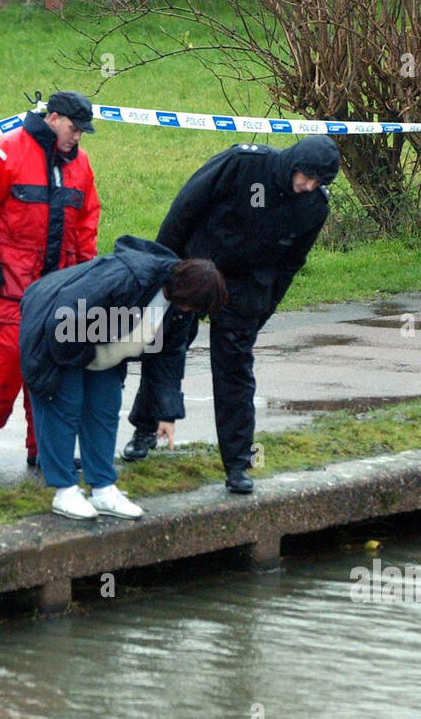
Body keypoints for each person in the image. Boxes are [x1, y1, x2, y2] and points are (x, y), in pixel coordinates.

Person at [122, 136, 341, 494]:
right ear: (293, 163)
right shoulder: (243, 164)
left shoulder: (314, 206)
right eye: (306, 177)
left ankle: (238, 464)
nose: (308, 186)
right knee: (164, 349)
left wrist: (263, 310)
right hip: (196, 269)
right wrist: (166, 269)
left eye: (318, 183)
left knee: (235, 371)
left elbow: (291, 264)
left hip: (244, 289)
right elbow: (184, 209)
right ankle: (146, 428)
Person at [20, 235, 226, 519]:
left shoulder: (179, 310)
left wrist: (166, 413)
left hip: (98, 343)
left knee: (104, 408)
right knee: (64, 405)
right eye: (194, 307)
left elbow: (168, 359)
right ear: (184, 292)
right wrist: (85, 360)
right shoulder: (128, 277)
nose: (192, 314)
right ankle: (64, 490)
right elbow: (66, 316)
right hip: (56, 328)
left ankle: (103, 490)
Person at [0, 91, 101, 467]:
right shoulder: (4, 152)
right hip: (6, 284)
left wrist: (86, 274)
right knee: (10, 360)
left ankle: (45, 452)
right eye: (74, 128)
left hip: (58, 287)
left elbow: (87, 220)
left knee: (53, 369)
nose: (77, 137)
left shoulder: (80, 165)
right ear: (53, 118)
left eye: (82, 131)